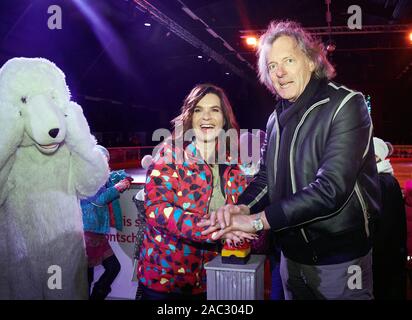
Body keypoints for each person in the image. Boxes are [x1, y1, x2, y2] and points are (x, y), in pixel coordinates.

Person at [200, 20, 380, 300]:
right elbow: (266, 179)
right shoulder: (274, 119)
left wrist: (259, 221)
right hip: (290, 255)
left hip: (339, 258)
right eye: (272, 66)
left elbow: (331, 189)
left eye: (288, 60)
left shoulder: (346, 105)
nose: (280, 72)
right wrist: (242, 208)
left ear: (310, 61)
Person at [137, 83, 254, 300]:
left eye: (214, 110)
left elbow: (241, 209)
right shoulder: (170, 154)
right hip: (167, 280)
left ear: (225, 119)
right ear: (190, 117)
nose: (206, 117)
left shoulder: (232, 162)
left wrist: (246, 225)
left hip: (213, 277)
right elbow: (157, 210)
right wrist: (216, 230)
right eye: (198, 110)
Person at [81, 145, 133, 300]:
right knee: (87, 276)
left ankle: (96, 296)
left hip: (95, 231)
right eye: (104, 160)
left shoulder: (99, 176)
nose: (107, 164)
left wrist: (123, 178)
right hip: (86, 230)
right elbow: (99, 200)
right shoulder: (86, 177)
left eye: (108, 161)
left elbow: (114, 176)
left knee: (111, 268)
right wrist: (117, 188)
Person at [372, 137, 407, 299]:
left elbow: (382, 227)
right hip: (388, 255)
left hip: (382, 257)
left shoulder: (381, 183)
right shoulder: (385, 180)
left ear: (376, 157)